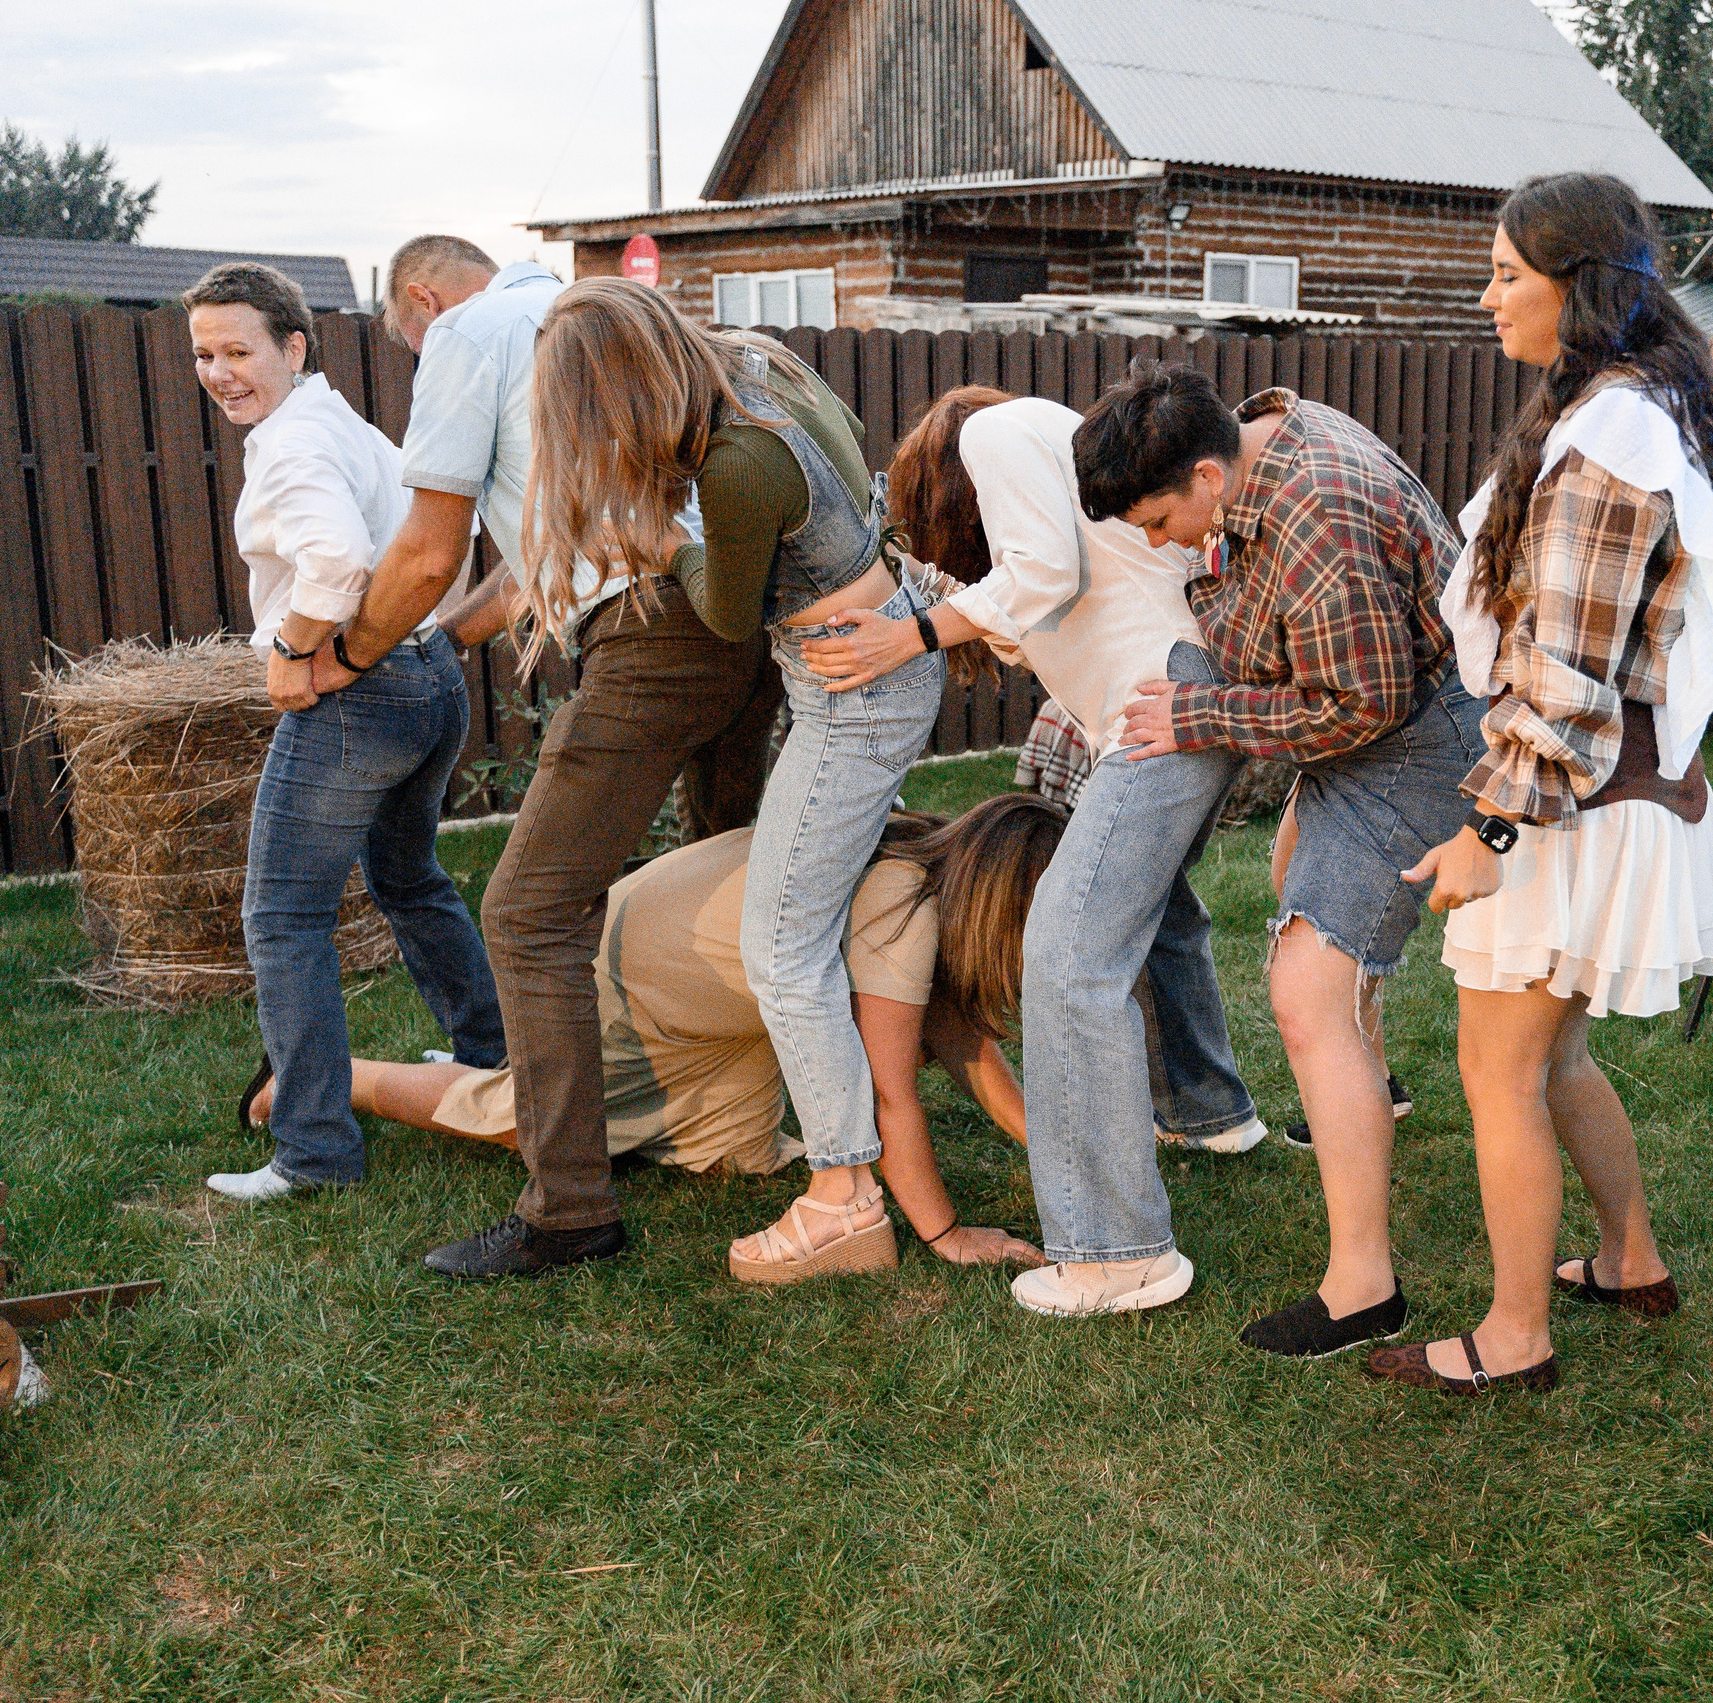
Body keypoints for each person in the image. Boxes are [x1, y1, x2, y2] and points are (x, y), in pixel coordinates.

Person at [1373, 173, 1713, 1397]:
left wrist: (1488, 829)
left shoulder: (1611, 440)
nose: (1487, 296)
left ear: (1579, 285)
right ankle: (1628, 1257)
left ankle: (1514, 1335)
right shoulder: (1639, 408)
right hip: (1622, 789)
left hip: (1573, 801)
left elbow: (1566, 675)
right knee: (1552, 1059)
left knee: (1498, 1071)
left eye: (1507, 273)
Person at [322, 252, 780, 1282]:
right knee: (734, 872)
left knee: (528, 912)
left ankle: (568, 1208)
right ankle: (742, 1122)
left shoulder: (464, 334)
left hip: (652, 636)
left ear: (424, 300)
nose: (418, 357)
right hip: (735, 618)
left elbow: (429, 550)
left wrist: (349, 653)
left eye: (408, 342)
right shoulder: (592, 314)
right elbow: (535, 562)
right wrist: (445, 637)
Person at [799, 385, 1262, 1317]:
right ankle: (1210, 1113)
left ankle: (1117, 1252)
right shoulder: (1053, 449)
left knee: (1068, 956)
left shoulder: (994, 431)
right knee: (1160, 913)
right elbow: (1036, 596)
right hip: (1179, 687)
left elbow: (1041, 575)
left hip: (1154, 702)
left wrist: (908, 636)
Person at [1076, 363, 1484, 1358]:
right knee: (1295, 885)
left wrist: (1200, 712)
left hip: (1421, 740)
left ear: (1208, 474)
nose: (1159, 542)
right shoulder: (1261, 437)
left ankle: (1363, 1290)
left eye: (1160, 519)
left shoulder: (1319, 514)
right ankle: (1369, 1090)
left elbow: (1362, 704)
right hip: (1383, 718)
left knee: (1305, 985)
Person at [246, 795, 1066, 1271]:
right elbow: (887, 1098)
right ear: (1002, 904)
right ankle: (315, 1081)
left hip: (718, 998)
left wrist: (1054, 1149)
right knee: (519, 1115)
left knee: (732, 1155)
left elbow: (963, 1041)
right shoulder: (901, 906)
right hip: (635, 976)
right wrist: (949, 1234)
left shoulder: (922, 869)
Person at [182, 262, 505, 1203]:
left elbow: (336, 556)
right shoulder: (342, 424)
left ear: (293, 347)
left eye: (238, 351)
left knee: (283, 917)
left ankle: (314, 1151)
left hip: (359, 696)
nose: (219, 372)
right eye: (204, 354)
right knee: (408, 876)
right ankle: (493, 1054)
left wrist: (296, 647)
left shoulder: (291, 446)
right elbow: (442, 530)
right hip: (430, 677)